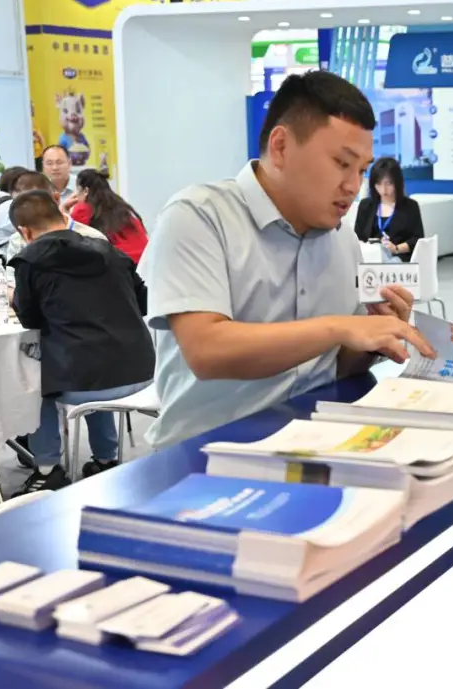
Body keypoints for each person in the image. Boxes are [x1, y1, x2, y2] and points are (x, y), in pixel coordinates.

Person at [140, 70, 435, 449]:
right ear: (280, 147)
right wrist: (338, 327)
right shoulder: (198, 217)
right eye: (341, 163)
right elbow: (206, 350)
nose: (353, 186)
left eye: (362, 170)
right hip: (208, 451)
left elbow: (336, 368)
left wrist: (373, 339)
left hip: (314, 438)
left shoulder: (342, 239)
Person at [8, 190, 154, 495]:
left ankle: (47, 469)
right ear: (64, 217)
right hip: (141, 372)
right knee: (88, 358)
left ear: (25, 232)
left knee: (34, 381)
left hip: (85, 382)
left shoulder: (29, 261)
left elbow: (30, 319)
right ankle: (106, 458)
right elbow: (143, 303)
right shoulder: (110, 250)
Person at [353, 157, 425, 263]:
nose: (384, 189)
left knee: (392, 262)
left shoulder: (410, 206)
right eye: (379, 183)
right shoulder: (366, 206)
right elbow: (357, 238)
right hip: (371, 257)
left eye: (389, 183)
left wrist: (396, 249)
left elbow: (418, 240)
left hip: (399, 258)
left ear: (397, 183)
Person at [70, 169, 149, 263]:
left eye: (78, 190)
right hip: (143, 262)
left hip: (119, 265)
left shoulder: (83, 209)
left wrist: (63, 210)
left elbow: (69, 239)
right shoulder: (122, 207)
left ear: (86, 191)